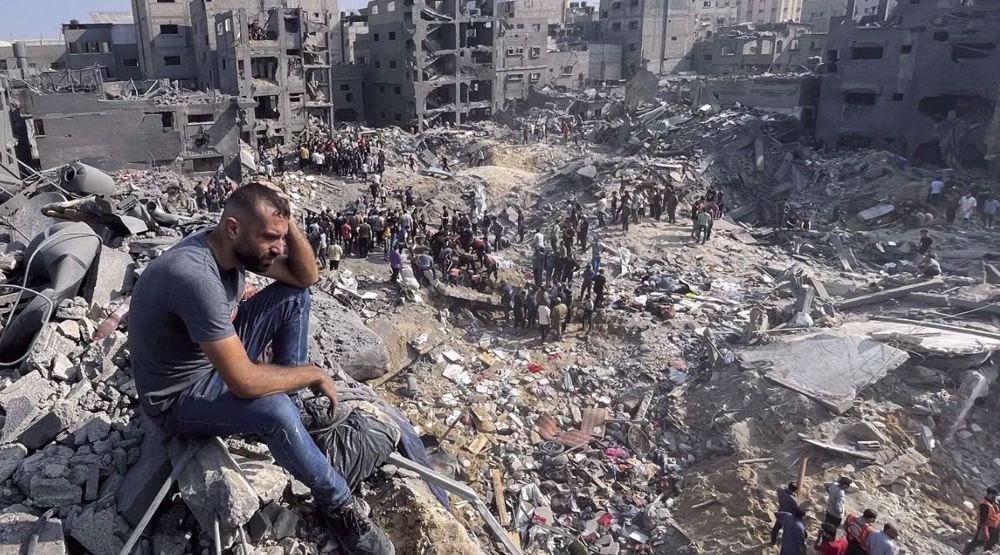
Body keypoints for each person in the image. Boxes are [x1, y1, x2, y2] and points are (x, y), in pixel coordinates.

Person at [127, 183, 394, 555]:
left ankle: (297, 414)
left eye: (280, 238)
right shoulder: (194, 276)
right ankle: (339, 506)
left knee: (292, 297)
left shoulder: (231, 248)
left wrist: (286, 218)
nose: (279, 249)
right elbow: (246, 381)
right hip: (177, 398)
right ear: (234, 228)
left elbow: (305, 279)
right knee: (275, 410)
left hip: (212, 359)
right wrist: (314, 374)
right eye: (270, 238)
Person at [964, 487, 1000, 554]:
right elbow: (983, 519)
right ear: (990, 494)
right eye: (994, 496)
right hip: (985, 527)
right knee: (978, 541)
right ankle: (967, 551)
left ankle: (984, 551)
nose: (995, 497)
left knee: (993, 540)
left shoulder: (991, 502)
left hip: (992, 527)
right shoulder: (984, 504)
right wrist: (985, 531)